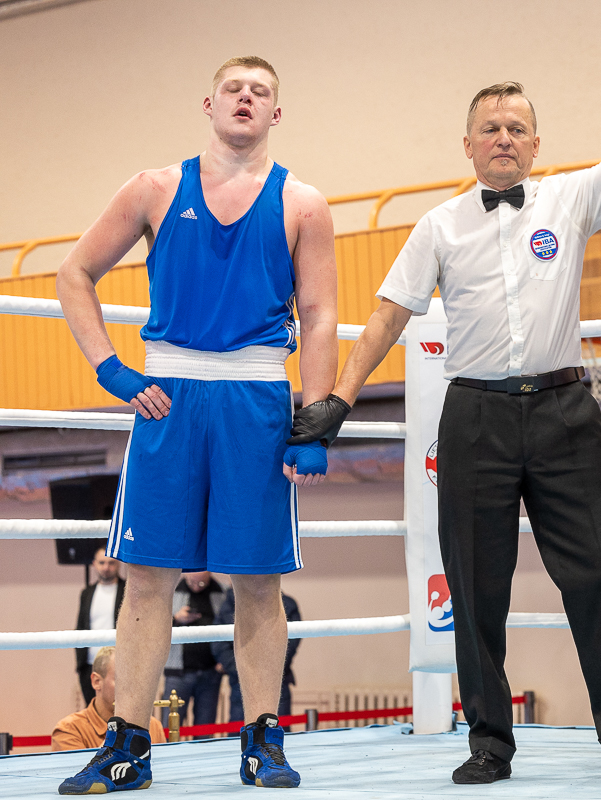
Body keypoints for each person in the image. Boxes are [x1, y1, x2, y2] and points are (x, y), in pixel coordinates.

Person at [285, 7, 601, 783]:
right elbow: (388, 314)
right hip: (477, 418)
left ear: (534, 142)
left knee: (597, 574)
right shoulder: (438, 225)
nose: (502, 137)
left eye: (516, 127)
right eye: (489, 127)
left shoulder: (570, 198)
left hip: (564, 412)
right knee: (476, 587)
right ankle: (490, 740)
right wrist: (340, 400)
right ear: (467, 144)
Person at [55, 55, 338, 793]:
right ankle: (128, 745)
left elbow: (320, 314)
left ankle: (262, 742)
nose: (247, 99)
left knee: (257, 580)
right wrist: (110, 368)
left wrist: (314, 419)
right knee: (147, 580)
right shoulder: (154, 188)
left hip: (255, 399)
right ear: (209, 103)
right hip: (168, 395)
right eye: (235, 89)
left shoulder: (302, 203)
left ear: (276, 113)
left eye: (262, 92)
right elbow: (73, 272)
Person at [213, 588, 302, 722]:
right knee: (238, 732)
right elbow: (219, 641)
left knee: (279, 728)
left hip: (278, 678)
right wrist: (241, 668)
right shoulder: (228, 604)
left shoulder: (288, 604)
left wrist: (269, 668)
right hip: (240, 680)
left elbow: (291, 642)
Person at [53, 648, 167, 751]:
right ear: (96, 682)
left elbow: (164, 772)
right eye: (121, 679)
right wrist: (119, 729)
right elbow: (81, 773)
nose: (130, 687)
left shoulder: (153, 726)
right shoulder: (69, 729)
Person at [162, 572, 225, 735]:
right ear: (186, 575)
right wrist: (176, 619)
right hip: (177, 672)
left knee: (205, 731)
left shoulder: (221, 592)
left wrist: (224, 660)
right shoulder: (170, 590)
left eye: (202, 584)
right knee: (170, 729)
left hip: (210, 672)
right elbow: (154, 627)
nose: (197, 587)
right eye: (192, 582)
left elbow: (229, 626)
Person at [75, 547, 125, 704]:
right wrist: (80, 664)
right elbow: (80, 626)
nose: (106, 567)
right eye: (102, 562)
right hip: (90, 664)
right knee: (91, 713)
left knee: (121, 713)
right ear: (94, 564)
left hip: (120, 662)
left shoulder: (129, 590)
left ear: (118, 564)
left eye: (111, 563)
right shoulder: (87, 592)